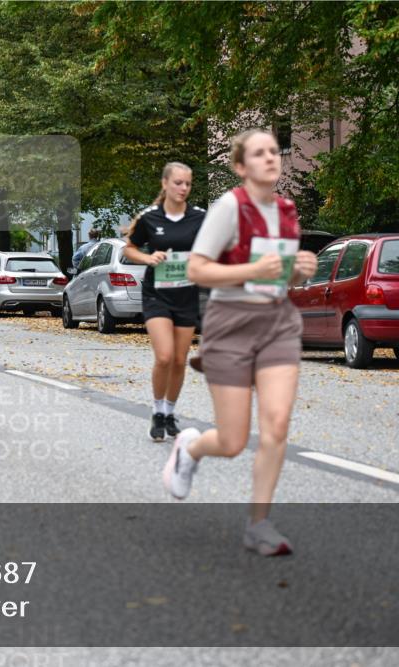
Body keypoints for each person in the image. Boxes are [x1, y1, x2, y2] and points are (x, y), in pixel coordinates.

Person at [162, 129, 318, 556]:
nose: (270, 158)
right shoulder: (229, 208)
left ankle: (258, 524)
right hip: (231, 322)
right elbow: (196, 270)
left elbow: (281, 274)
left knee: (277, 424)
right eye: (259, 153)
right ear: (239, 166)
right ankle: (190, 448)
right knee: (232, 441)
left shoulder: (286, 210)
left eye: (274, 151)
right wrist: (252, 271)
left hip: (278, 322)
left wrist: (300, 270)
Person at [123, 162, 204, 442]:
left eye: (188, 184)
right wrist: (148, 258)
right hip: (156, 294)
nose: (183, 188)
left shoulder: (199, 217)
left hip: (186, 294)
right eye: (178, 183)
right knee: (165, 356)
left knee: (180, 360)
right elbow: (129, 248)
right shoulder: (150, 217)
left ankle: (169, 412)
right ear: (165, 184)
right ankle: (157, 411)